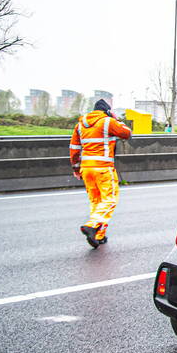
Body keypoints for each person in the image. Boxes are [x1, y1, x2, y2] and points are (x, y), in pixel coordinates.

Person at [69, 99, 132, 247]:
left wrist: (76, 169)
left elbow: (74, 149)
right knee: (110, 200)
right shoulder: (107, 122)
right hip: (103, 168)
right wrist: (116, 119)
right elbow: (127, 133)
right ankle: (92, 226)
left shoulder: (80, 125)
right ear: (107, 111)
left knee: (97, 202)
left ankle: (98, 235)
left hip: (86, 169)